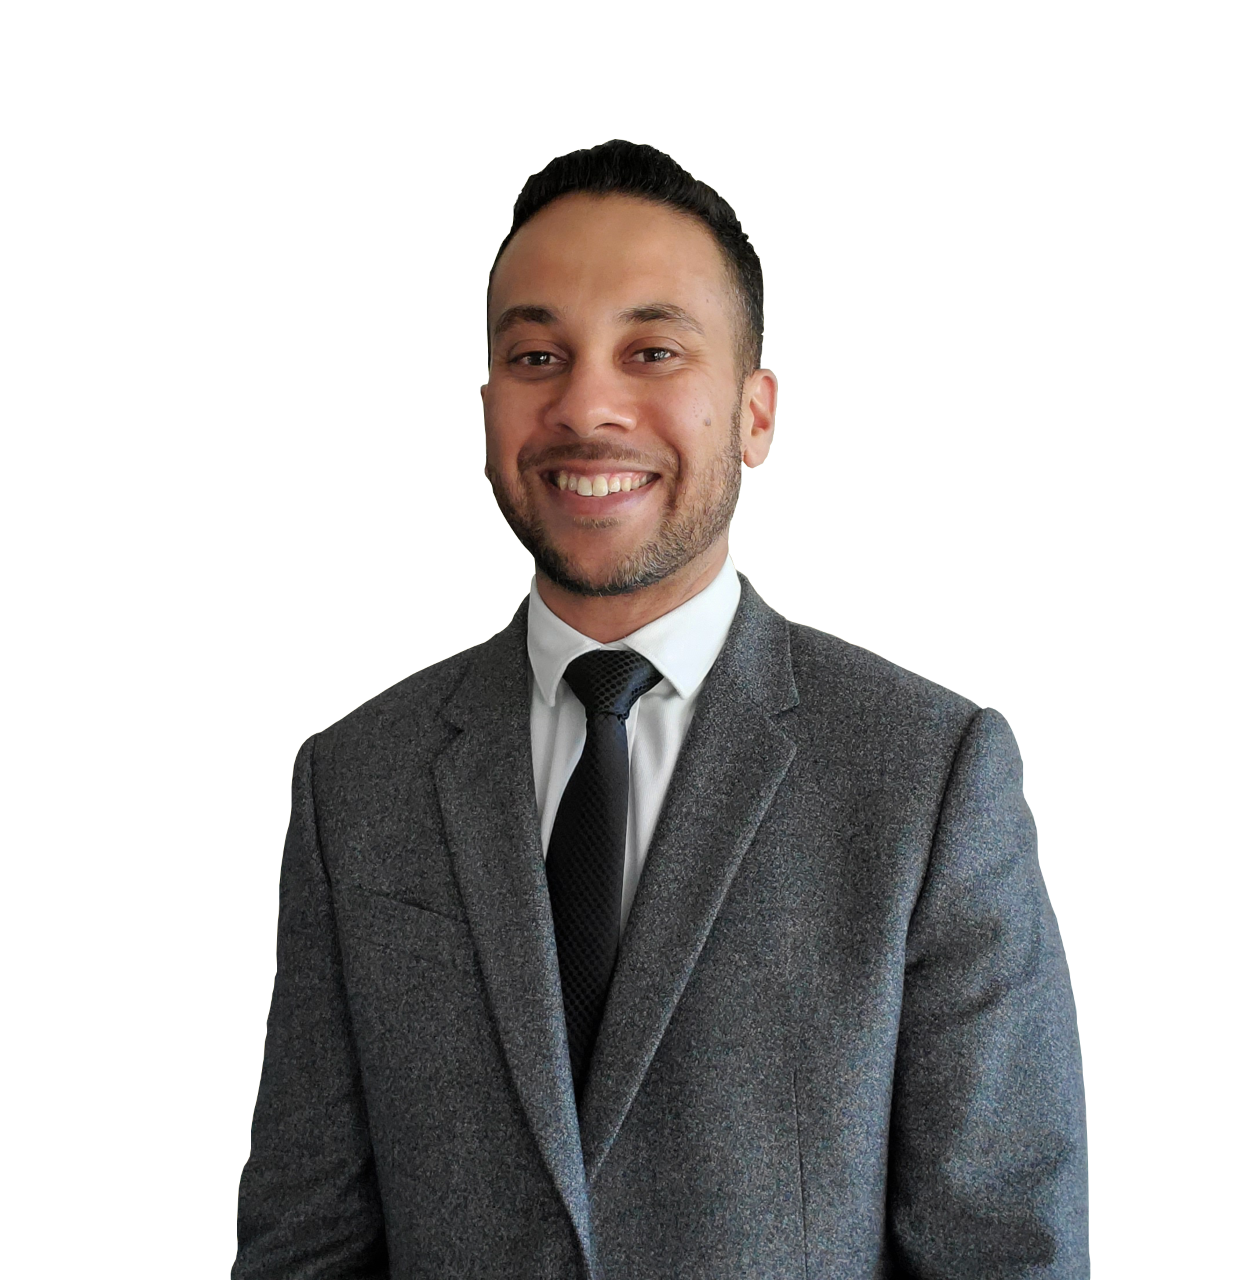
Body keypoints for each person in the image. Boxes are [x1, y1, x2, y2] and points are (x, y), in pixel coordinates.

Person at [232, 140, 1090, 1278]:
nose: (586, 405)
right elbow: (302, 1244)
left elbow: (1005, 1251)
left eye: (652, 351)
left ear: (754, 415)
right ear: (489, 402)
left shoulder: (930, 777)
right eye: (536, 355)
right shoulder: (354, 778)